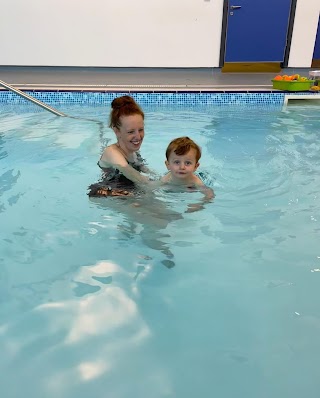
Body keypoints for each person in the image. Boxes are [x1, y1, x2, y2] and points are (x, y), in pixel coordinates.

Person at [88, 95, 155, 197]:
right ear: (117, 131)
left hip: (128, 190)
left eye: (141, 130)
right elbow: (135, 176)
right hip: (105, 193)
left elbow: (148, 172)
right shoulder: (112, 152)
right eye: (131, 132)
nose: (138, 136)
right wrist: (164, 184)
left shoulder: (134, 153)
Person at [161, 136, 214, 211]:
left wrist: (199, 204)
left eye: (188, 163)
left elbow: (210, 195)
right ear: (168, 165)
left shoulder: (196, 182)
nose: (182, 167)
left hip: (191, 187)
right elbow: (150, 189)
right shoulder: (165, 179)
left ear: (195, 166)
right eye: (177, 162)